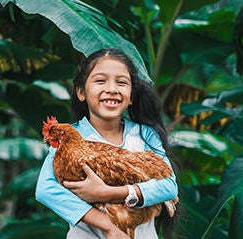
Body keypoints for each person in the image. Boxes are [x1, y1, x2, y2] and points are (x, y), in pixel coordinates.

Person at [35, 48, 178, 239]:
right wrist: (109, 227)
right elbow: (46, 190)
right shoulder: (68, 138)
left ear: (132, 96)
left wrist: (108, 193)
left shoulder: (145, 134)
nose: (111, 89)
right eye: (100, 81)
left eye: (121, 82)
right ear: (81, 92)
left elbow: (169, 186)